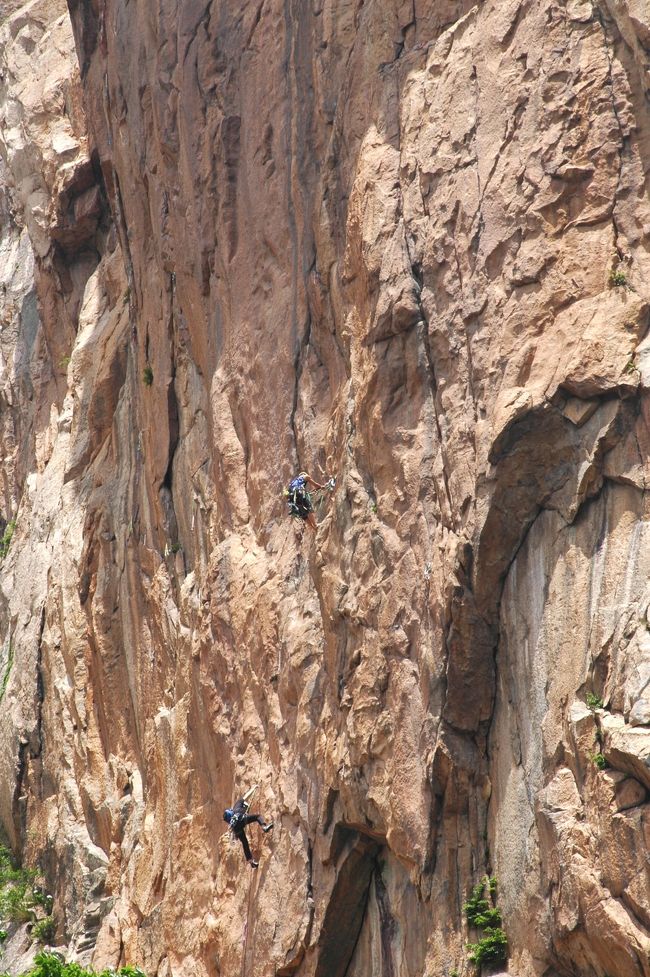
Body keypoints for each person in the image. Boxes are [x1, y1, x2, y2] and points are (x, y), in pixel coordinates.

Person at [223, 796, 274, 868]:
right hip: (242, 820)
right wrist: (253, 788)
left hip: (236, 828)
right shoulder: (237, 806)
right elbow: (245, 796)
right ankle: (264, 827)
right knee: (257, 817)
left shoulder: (233, 816)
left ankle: (251, 861)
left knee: (245, 843)